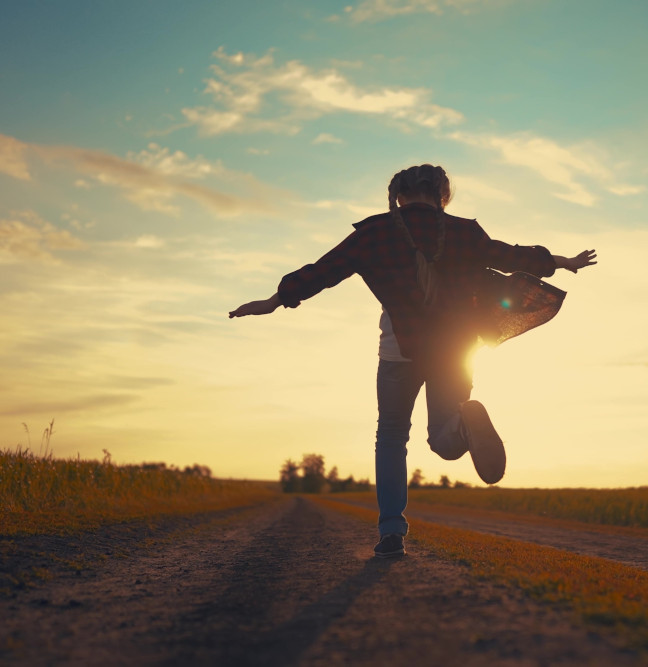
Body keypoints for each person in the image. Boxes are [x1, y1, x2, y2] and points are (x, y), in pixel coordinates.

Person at [229, 164, 597, 558]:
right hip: (454, 352)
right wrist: (563, 261)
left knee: (391, 435)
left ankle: (391, 533)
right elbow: (513, 257)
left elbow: (322, 272)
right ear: (442, 195)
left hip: (398, 354)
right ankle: (463, 424)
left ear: (398, 197)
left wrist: (274, 300)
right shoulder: (464, 232)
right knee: (443, 440)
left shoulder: (373, 234)